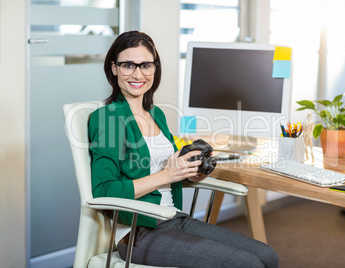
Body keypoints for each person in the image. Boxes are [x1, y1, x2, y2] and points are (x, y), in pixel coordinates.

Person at [88, 30, 279, 268]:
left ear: (154, 68)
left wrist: (191, 170)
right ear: (114, 68)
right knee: (248, 264)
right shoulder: (107, 118)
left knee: (268, 256)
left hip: (175, 219)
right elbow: (104, 192)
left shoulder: (155, 114)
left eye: (145, 65)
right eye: (128, 65)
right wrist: (166, 175)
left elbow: (166, 175)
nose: (138, 74)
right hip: (140, 232)